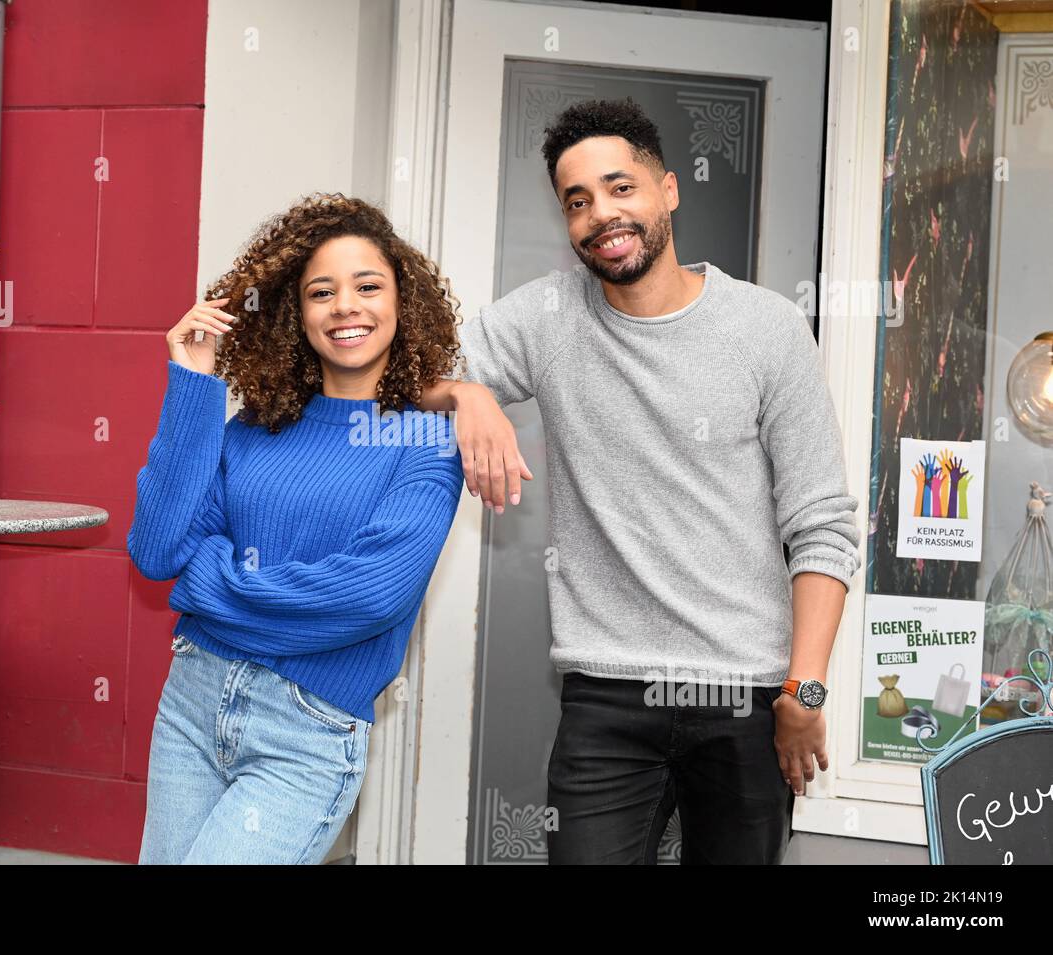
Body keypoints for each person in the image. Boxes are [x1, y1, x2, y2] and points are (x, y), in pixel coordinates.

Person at [419, 98, 862, 864]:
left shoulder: (767, 328)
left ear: (667, 190)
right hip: (606, 696)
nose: (601, 214)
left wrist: (805, 690)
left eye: (620, 188)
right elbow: (403, 371)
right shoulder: (547, 319)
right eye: (578, 201)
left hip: (748, 694)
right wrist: (467, 391)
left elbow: (822, 524)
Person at [129, 194, 469, 864]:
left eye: (368, 286)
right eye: (322, 291)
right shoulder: (253, 426)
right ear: (297, 313)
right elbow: (156, 549)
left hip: (305, 732)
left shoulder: (427, 443)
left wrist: (214, 588)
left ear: (403, 303)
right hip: (192, 705)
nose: (346, 306)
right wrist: (192, 385)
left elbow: (369, 597)